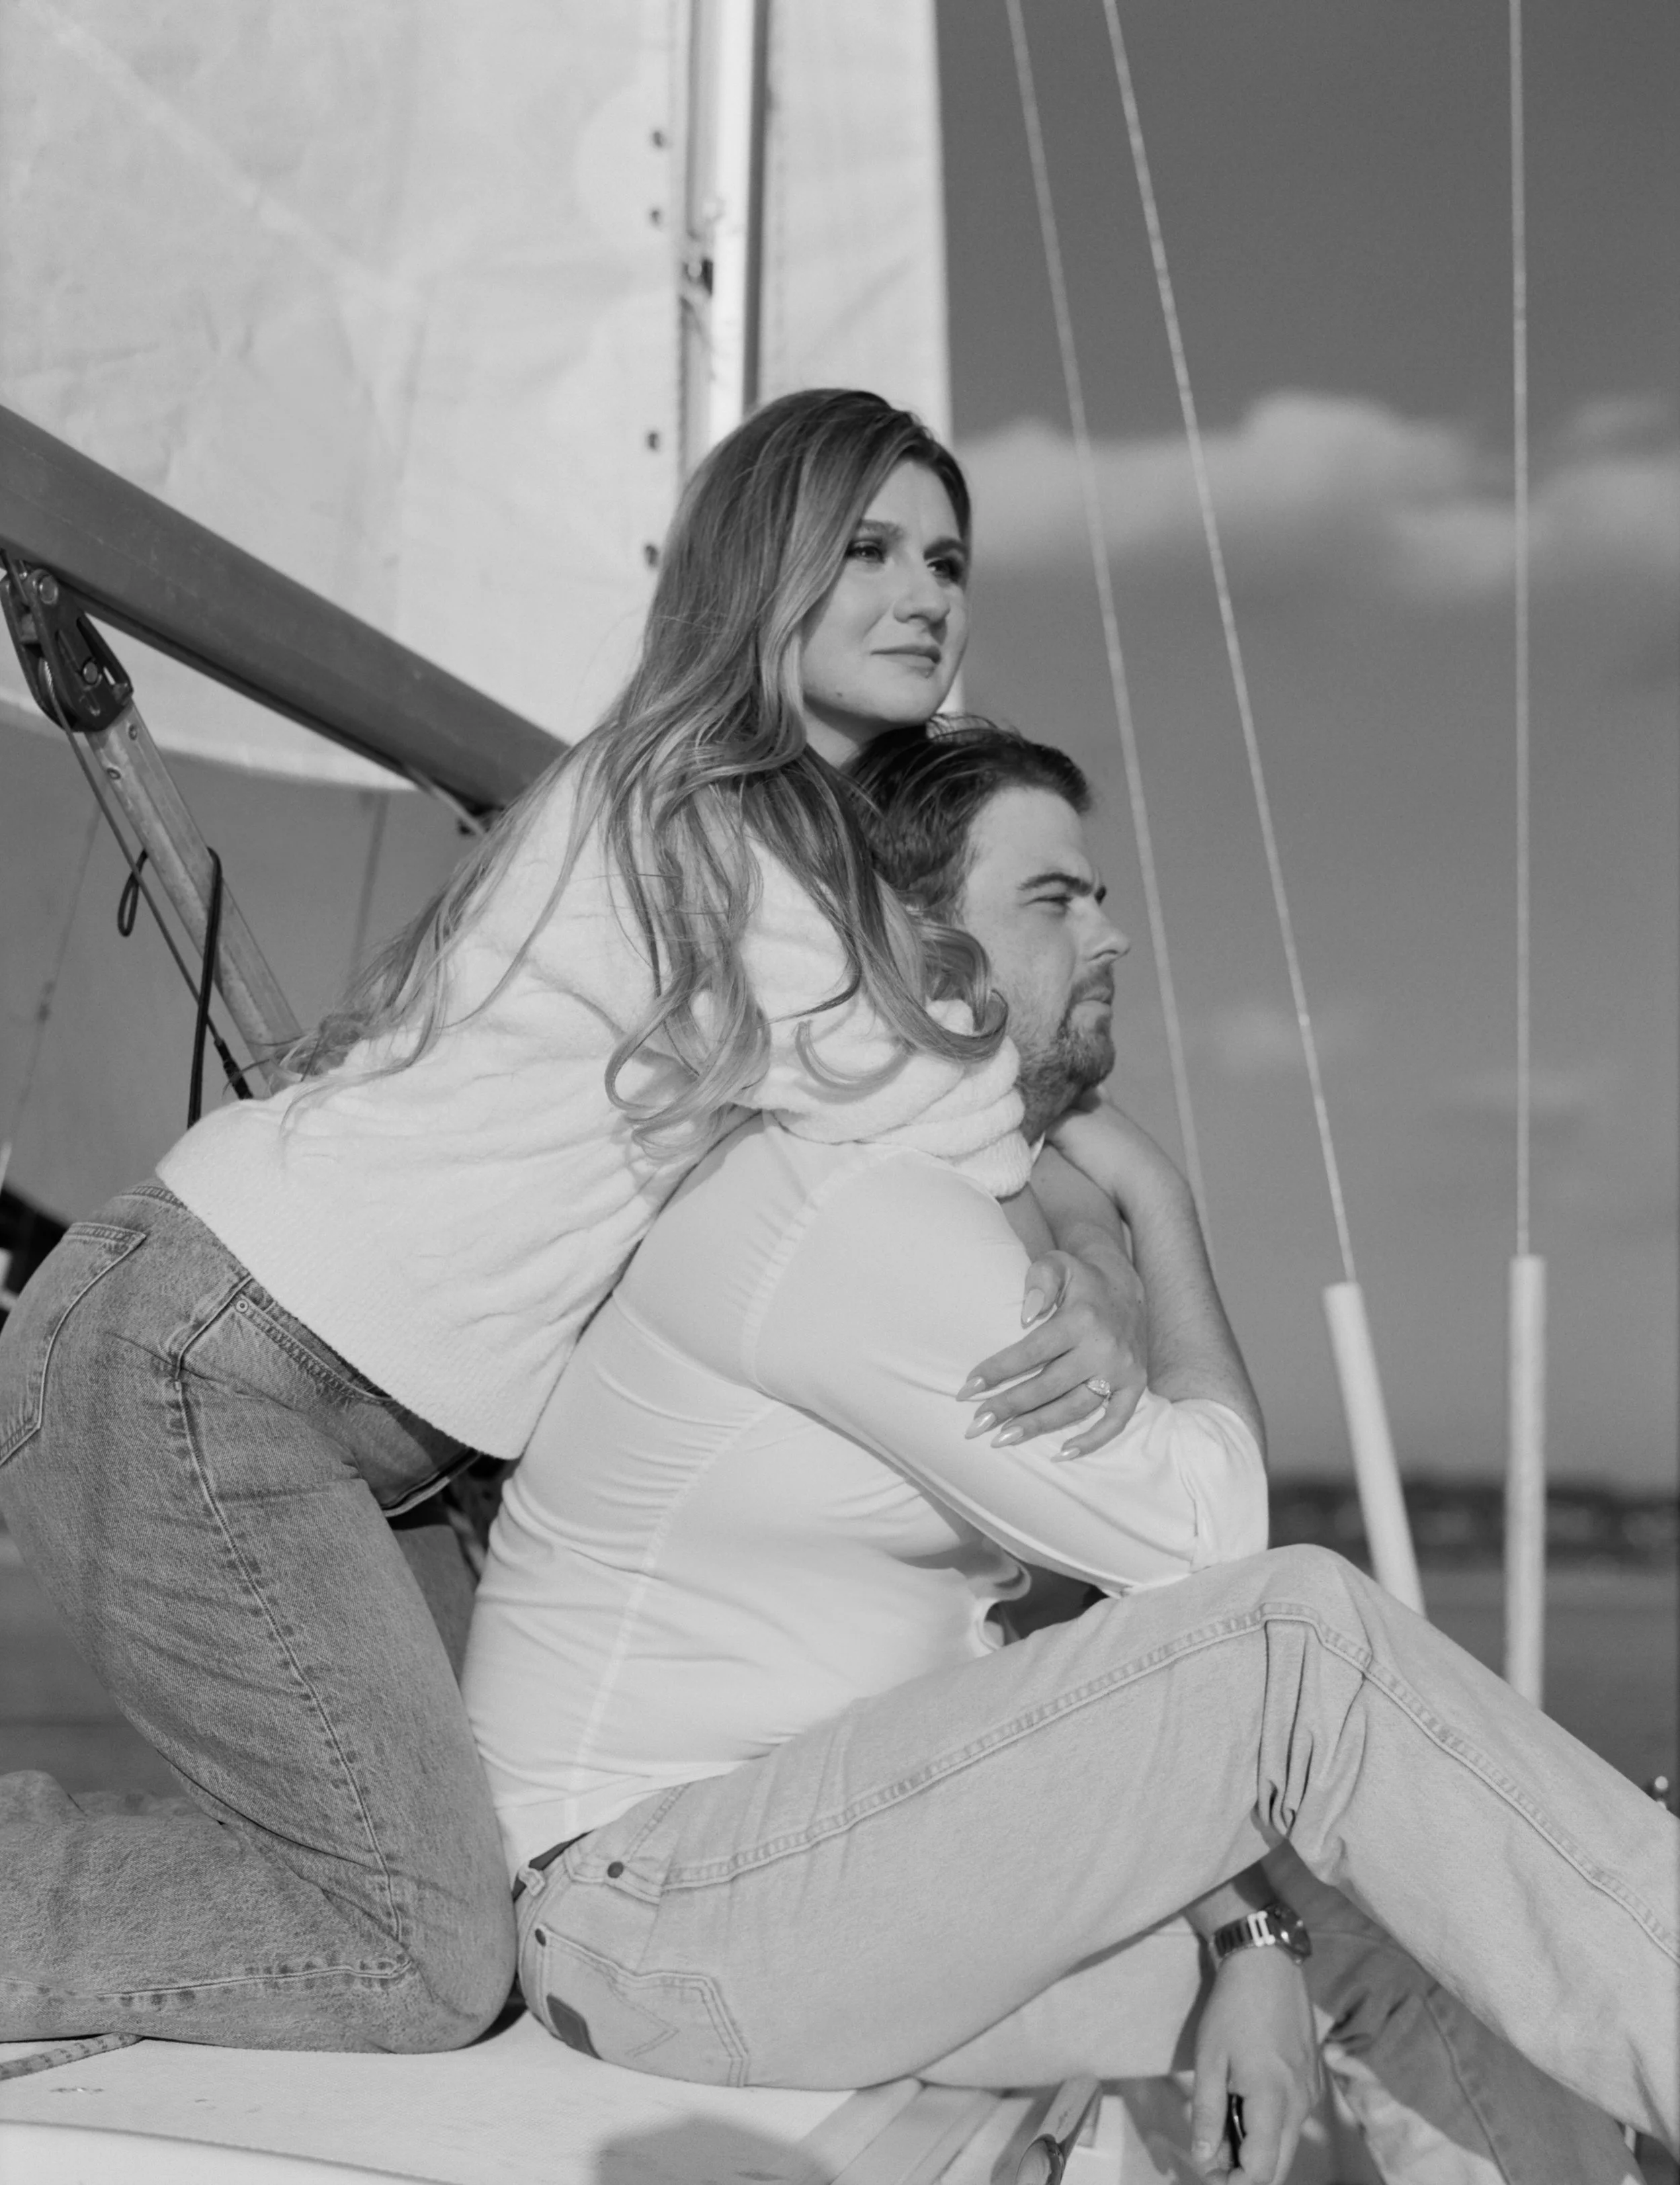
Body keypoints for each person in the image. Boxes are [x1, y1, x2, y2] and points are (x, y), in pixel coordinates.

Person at [0, 392, 1144, 2056]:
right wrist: (1120, 1234)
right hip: (196, 1357)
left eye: (949, 561)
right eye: (871, 549)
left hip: (236, 1374)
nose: (927, 598)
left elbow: (963, 1119)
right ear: (765, 565)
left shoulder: (777, 855)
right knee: (419, 1949)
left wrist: (1083, 1219)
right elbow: (979, 1125)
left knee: (417, 1912)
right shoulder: (713, 829)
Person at [466, 724, 1677, 2185]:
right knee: (1298, 1638)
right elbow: (1209, 1560)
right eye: (1053, 899)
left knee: (1415, 1936)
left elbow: (1087, 1664)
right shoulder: (849, 1217)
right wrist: (1153, 1200)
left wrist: (1251, 1933)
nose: (1109, 933)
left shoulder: (948, 1208)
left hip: (790, 1890)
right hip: (649, 1911)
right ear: (912, 943)